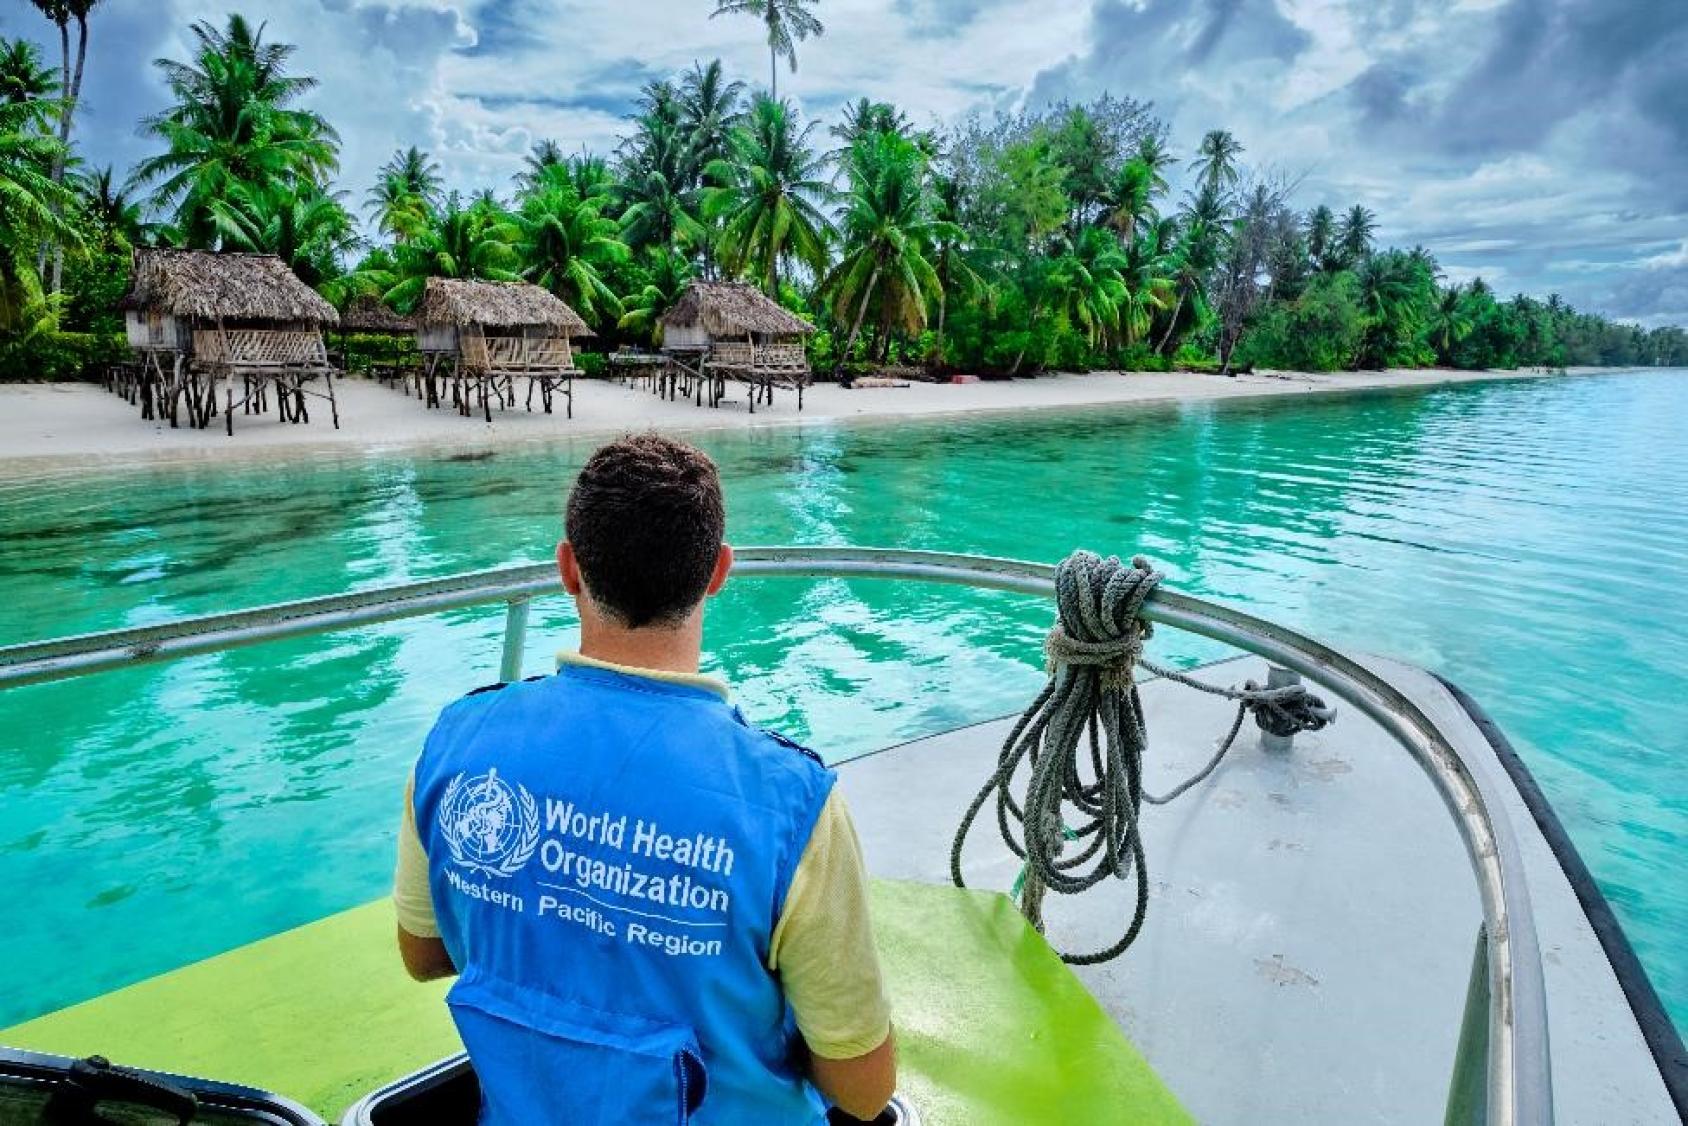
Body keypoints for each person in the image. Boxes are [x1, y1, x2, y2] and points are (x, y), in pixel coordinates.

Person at [392, 433, 896, 1124]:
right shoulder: (790, 805)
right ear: (718, 572)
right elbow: (864, 1093)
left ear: (569, 569)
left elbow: (423, 954)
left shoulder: (456, 741)